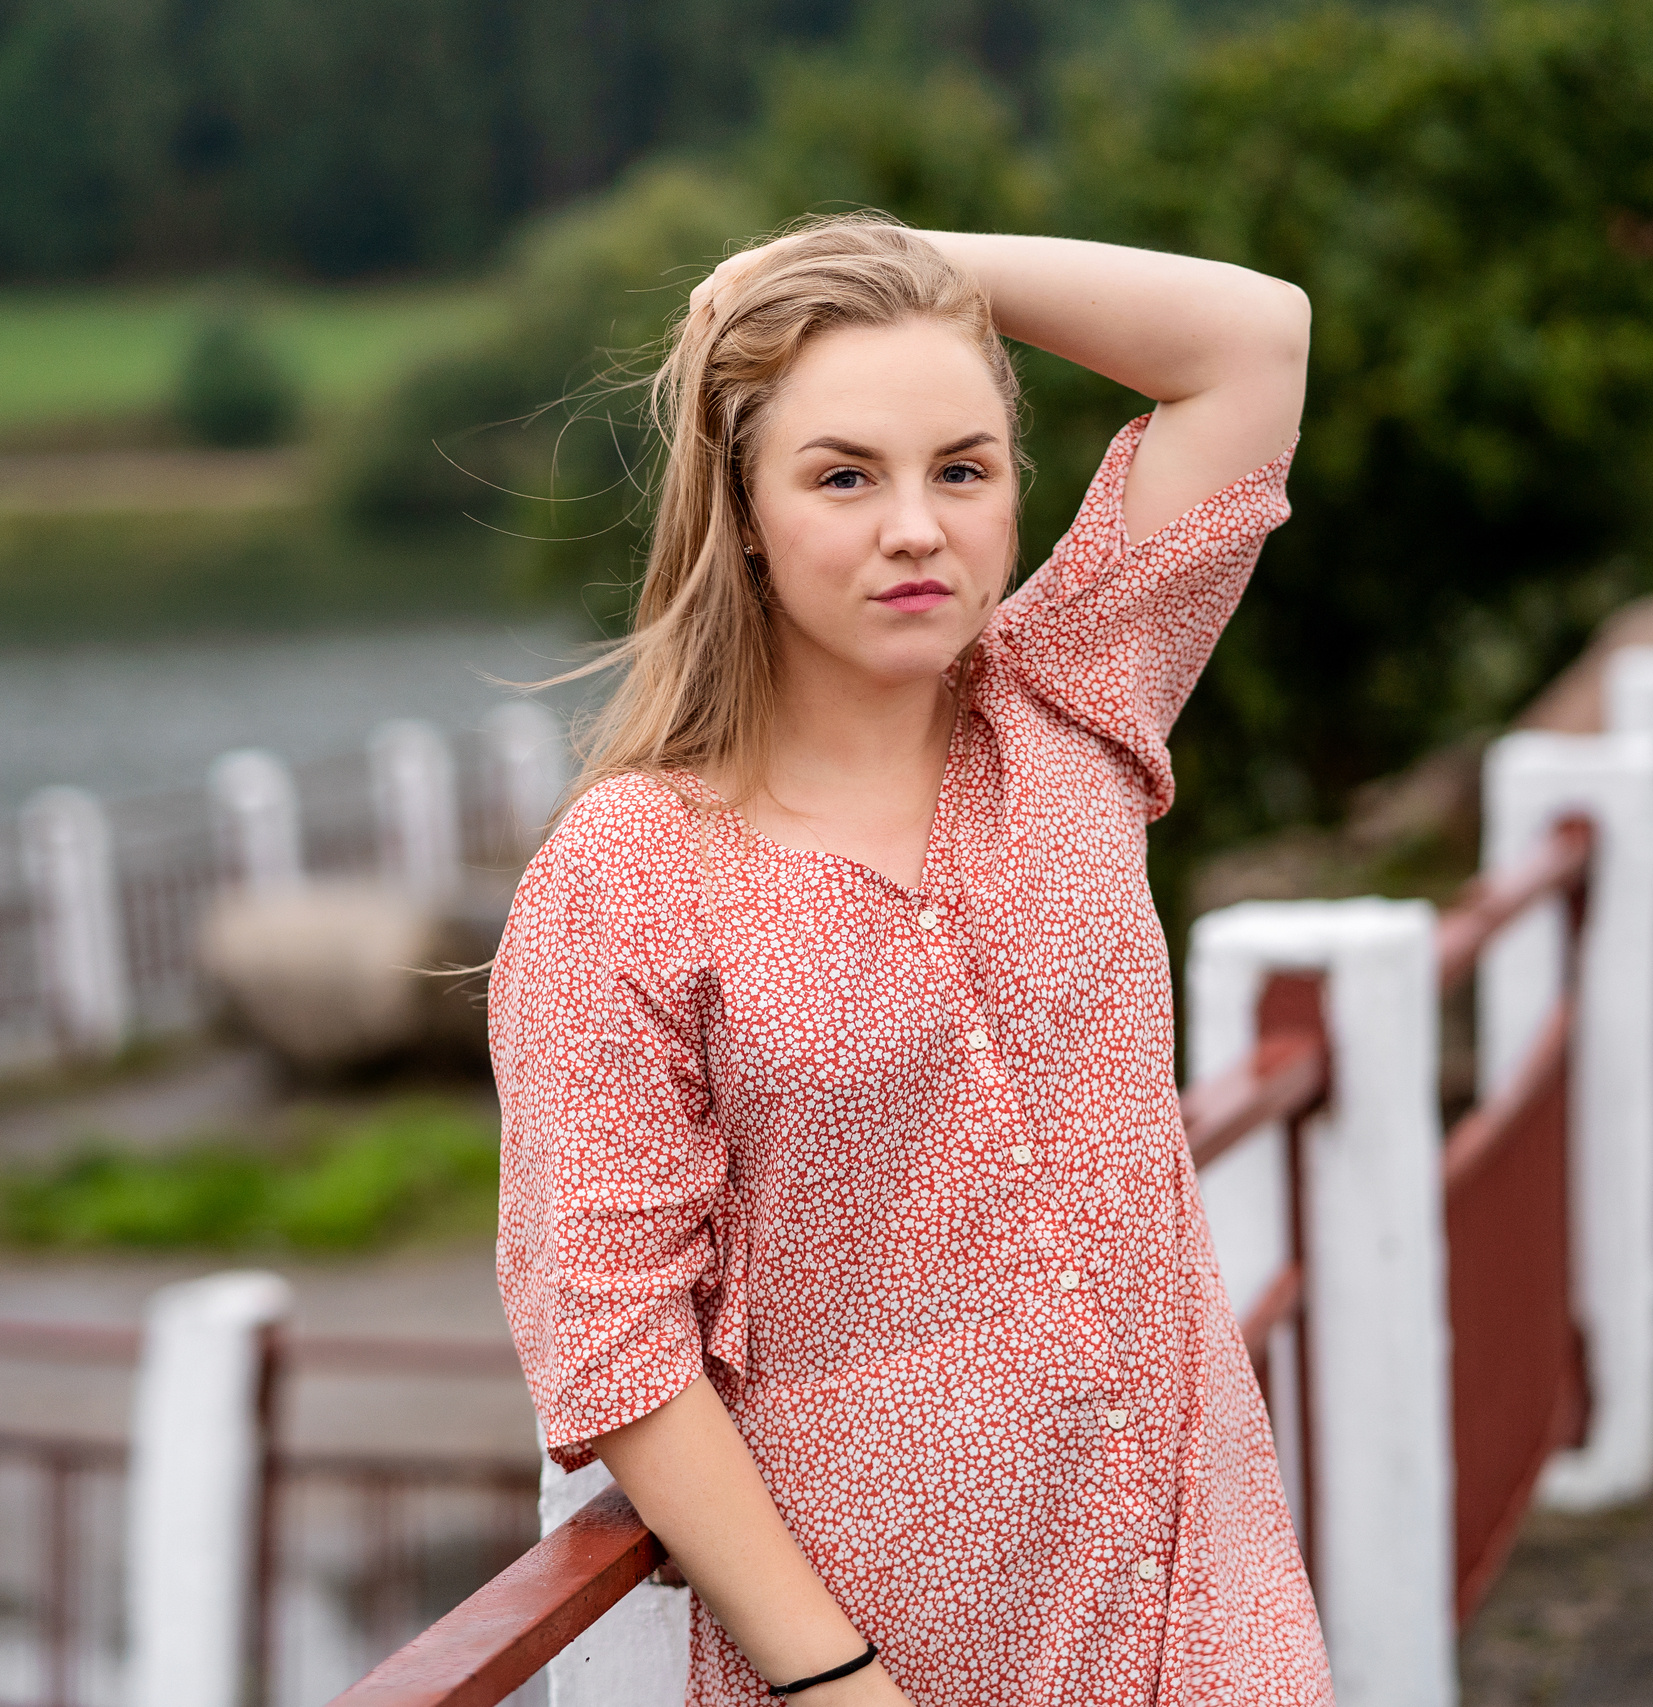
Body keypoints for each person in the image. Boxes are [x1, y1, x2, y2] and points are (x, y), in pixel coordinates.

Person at [489, 218, 1326, 1705]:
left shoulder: (1068, 705)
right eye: (841, 475)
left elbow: (1253, 342)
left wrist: (875, 252)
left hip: (1209, 1624)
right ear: (743, 511)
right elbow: (615, 1339)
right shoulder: (626, 877)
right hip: (898, 1662)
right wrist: (835, 1681)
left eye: (962, 467)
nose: (916, 527)